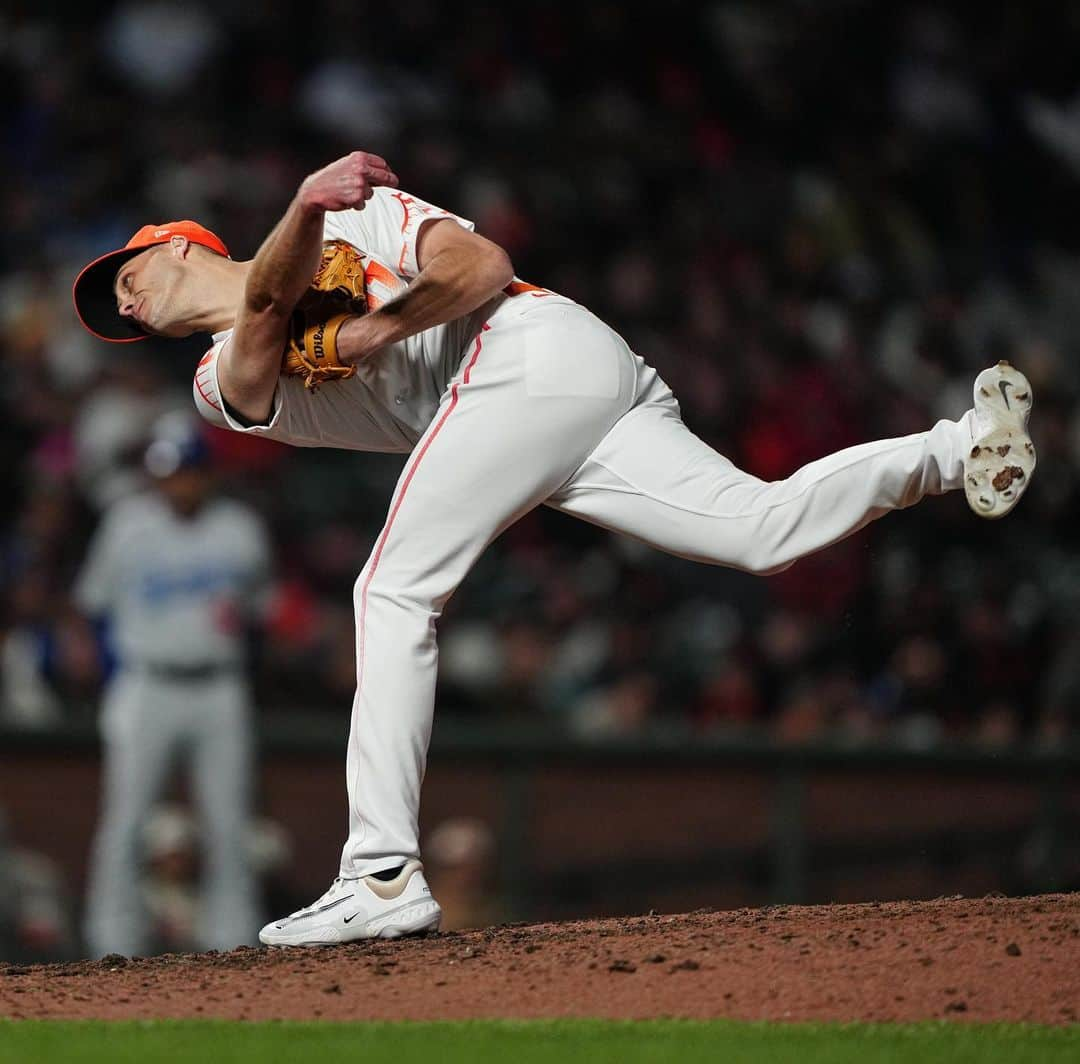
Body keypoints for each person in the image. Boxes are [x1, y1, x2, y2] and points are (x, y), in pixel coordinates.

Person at [71, 150, 1036, 947]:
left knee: (390, 592)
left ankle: (378, 871)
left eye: (125, 275)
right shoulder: (211, 382)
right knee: (760, 532)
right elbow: (263, 332)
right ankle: (958, 448)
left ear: (178, 243)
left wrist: (376, 323)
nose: (127, 303)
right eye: (116, 308)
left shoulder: (358, 222)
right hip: (539, 398)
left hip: (528, 346)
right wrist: (307, 215)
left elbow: (483, 269)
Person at [73, 410, 272, 956]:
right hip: (146, 684)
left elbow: (259, 615)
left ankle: (232, 938)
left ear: (207, 473)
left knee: (229, 820)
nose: (178, 482)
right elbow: (92, 608)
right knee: (127, 820)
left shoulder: (238, 528)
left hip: (219, 686)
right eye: (168, 471)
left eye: (187, 470)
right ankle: (111, 940)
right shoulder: (126, 525)